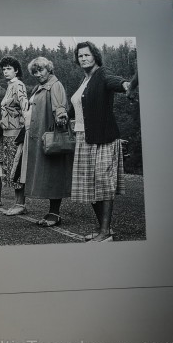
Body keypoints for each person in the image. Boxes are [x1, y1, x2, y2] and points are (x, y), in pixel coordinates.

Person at [69, 41, 132, 242]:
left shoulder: (102, 74)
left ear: (95, 56)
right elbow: (81, 105)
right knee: (89, 187)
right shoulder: (84, 80)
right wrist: (66, 114)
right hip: (82, 138)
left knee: (103, 185)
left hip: (103, 139)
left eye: (87, 55)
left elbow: (115, 81)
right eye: (80, 56)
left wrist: (126, 85)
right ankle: (106, 229)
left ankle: (105, 232)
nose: (84, 58)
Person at [9, 57, 73, 220]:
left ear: (49, 69)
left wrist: (61, 115)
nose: (38, 74)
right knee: (47, 173)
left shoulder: (55, 85)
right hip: (37, 136)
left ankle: (54, 213)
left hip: (48, 136)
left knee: (53, 172)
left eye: (41, 70)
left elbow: (60, 107)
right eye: (35, 72)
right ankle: (52, 212)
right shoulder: (40, 87)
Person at [0, 57, 29, 211]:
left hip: (17, 132)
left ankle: (21, 204)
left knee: (17, 167)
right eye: (4, 69)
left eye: (9, 68)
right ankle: (17, 203)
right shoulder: (9, 87)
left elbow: (25, 107)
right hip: (7, 132)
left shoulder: (18, 85)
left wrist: (25, 129)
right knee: (11, 168)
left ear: (16, 70)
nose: (5, 71)